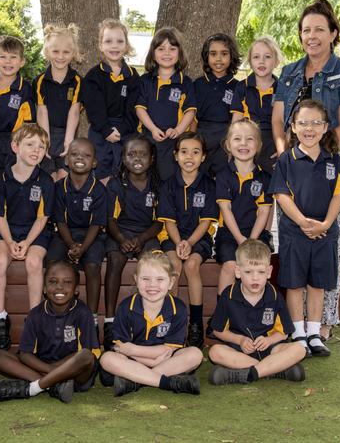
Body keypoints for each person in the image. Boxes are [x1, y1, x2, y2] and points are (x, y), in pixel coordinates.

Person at [271, 0, 340, 339]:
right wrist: (288, 159)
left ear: (333, 34)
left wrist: (318, 154)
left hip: (328, 169)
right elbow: (279, 119)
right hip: (291, 173)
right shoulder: (290, 73)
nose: (312, 36)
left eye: (319, 30)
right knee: (294, 248)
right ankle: (297, 327)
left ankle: (322, 325)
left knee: (328, 247)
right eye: (306, 30)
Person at [269, 99, 340, 357]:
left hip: (325, 234)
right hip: (295, 233)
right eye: (303, 122)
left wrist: (326, 224)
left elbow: (339, 195)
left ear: (325, 127)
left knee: (317, 284)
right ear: (293, 127)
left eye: (316, 123)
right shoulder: (286, 160)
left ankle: (315, 333)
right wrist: (303, 223)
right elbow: (281, 195)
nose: (309, 128)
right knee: (295, 284)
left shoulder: (333, 160)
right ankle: (298, 333)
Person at [0, 260, 99, 403]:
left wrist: (56, 370)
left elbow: (87, 354)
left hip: (74, 375)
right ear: (45, 288)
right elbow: (25, 354)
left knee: (86, 356)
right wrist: (49, 370)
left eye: (67, 282)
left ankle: (34, 388)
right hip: (42, 367)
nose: (59, 287)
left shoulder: (83, 313)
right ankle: (53, 385)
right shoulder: (35, 314)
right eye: (53, 282)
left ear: (76, 289)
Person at [0, 124, 55, 350]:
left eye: (41, 146)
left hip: (35, 232)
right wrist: (9, 242)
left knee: (34, 262)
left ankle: (35, 319)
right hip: (7, 230)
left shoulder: (45, 180)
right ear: (15, 146)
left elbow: (42, 218)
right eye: (30, 144)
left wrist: (26, 242)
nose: (36, 150)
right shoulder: (0, 178)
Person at [100, 250, 203, 397]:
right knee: (107, 359)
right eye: (145, 279)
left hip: (164, 360)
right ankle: (168, 383)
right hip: (134, 362)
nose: (152, 285)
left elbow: (168, 349)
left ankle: (135, 381)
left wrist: (134, 351)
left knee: (195, 354)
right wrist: (147, 360)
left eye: (160, 279)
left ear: (171, 282)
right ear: (136, 279)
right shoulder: (126, 306)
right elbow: (120, 348)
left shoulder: (177, 308)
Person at [207, 239, 306, 385]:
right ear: (238, 272)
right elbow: (218, 331)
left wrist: (269, 340)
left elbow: (284, 332)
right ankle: (275, 370)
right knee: (215, 352)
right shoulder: (228, 296)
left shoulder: (274, 296)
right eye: (248, 272)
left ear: (269, 272)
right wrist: (240, 340)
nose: (255, 277)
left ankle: (249, 373)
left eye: (261, 272)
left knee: (299, 349)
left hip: (271, 348)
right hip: (241, 350)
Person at [157, 132, 218, 348]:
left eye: (195, 152)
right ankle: (170, 321)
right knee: (174, 264)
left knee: (191, 265)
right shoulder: (168, 185)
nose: (189, 157)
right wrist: (179, 243)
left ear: (203, 157)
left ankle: (195, 325)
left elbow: (205, 223)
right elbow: (169, 222)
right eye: (184, 152)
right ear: (175, 156)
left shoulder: (209, 185)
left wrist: (189, 243)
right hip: (172, 236)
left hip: (198, 237)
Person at [103, 135, 163, 351]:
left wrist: (140, 239)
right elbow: (109, 220)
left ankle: (153, 319)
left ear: (152, 158)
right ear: (123, 158)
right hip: (120, 232)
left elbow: (159, 223)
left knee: (154, 264)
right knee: (115, 259)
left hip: (146, 234)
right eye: (131, 154)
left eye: (143, 154)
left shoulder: (157, 184)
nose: (137, 158)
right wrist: (122, 240)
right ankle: (109, 322)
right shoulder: (116, 184)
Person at [45, 138, 107, 326]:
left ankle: (92, 318)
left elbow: (96, 225)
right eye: (74, 154)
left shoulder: (99, 190)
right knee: (53, 262)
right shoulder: (59, 187)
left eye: (86, 155)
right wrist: (72, 245)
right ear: (66, 160)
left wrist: (82, 248)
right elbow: (60, 222)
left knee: (93, 266)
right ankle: (55, 313)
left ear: (94, 162)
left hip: (91, 236)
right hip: (65, 235)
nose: (80, 158)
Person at [215, 120, 273, 296]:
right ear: (228, 145)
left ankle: (255, 314)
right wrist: (240, 239)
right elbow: (226, 210)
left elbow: (264, 212)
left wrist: (252, 241)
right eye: (237, 139)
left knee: (257, 267)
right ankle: (222, 317)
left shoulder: (264, 178)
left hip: (256, 234)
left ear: (259, 145)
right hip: (230, 233)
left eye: (249, 139)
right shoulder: (223, 175)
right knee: (230, 266)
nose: (243, 144)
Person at [81, 19, 140, 182]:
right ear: (101, 45)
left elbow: (134, 108)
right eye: (108, 41)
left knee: (125, 174)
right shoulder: (94, 76)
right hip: (100, 132)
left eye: (120, 41)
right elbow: (94, 109)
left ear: (126, 45)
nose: (114, 46)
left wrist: (121, 129)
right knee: (101, 173)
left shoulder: (133, 76)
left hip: (126, 130)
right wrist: (106, 131)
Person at [135, 27, 197, 181]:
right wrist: (154, 129)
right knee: (146, 179)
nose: (167, 53)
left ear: (179, 53)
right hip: (148, 138)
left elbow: (190, 111)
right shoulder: (145, 80)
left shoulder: (186, 83)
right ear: (153, 53)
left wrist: (178, 130)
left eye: (172, 49)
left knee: (168, 180)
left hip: (172, 142)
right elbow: (140, 109)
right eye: (161, 48)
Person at [0, 35, 35, 178]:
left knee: (14, 183)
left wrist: (22, 147)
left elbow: (29, 124)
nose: (8, 62)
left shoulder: (26, 90)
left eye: (13, 57)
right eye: (3, 57)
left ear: (22, 61)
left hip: (14, 143)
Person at [34, 24, 83, 181]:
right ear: (47, 52)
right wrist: (45, 141)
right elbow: (42, 112)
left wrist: (68, 143)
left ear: (73, 53)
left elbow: (74, 112)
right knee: (49, 180)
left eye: (66, 52)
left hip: (67, 134)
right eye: (55, 51)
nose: (60, 56)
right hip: (46, 133)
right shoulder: (40, 81)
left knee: (64, 179)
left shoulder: (77, 81)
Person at [230, 36, 283, 173]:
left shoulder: (282, 88)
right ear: (250, 61)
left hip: (272, 141)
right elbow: (236, 121)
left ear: (276, 62)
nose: (262, 61)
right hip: (248, 141)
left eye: (267, 57)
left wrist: (283, 147)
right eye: (256, 57)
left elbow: (285, 122)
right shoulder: (242, 87)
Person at [193, 33, 241, 177]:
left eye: (224, 54)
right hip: (202, 137)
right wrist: (192, 140)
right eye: (213, 54)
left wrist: (232, 142)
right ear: (207, 57)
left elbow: (237, 119)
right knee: (200, 180)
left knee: (223, 180)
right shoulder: (198, 84)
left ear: (231, 56)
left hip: (224, 139)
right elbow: (192, 116)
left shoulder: (238, 86)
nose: (218, 59)